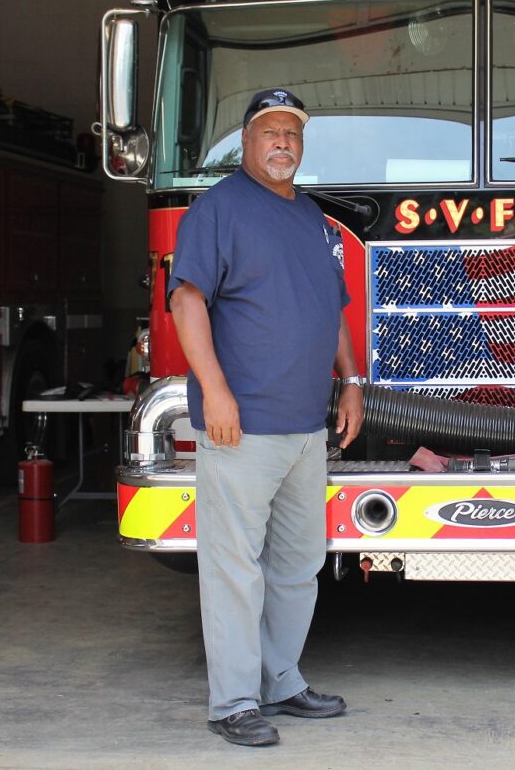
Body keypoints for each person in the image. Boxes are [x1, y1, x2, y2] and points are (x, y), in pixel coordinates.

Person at [169, 88, 364, 747]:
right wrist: (215, 390)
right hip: (240, 425)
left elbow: (331, 307)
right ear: (246, 142)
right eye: (269, 132)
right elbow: (187, 301)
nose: (282, 143)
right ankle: (233, 700)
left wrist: (353, 381)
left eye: (292, 133)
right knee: (234, 567)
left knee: (298, 563)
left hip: (307, 427)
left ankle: (281, 677)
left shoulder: (312, 217)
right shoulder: (217, 210)